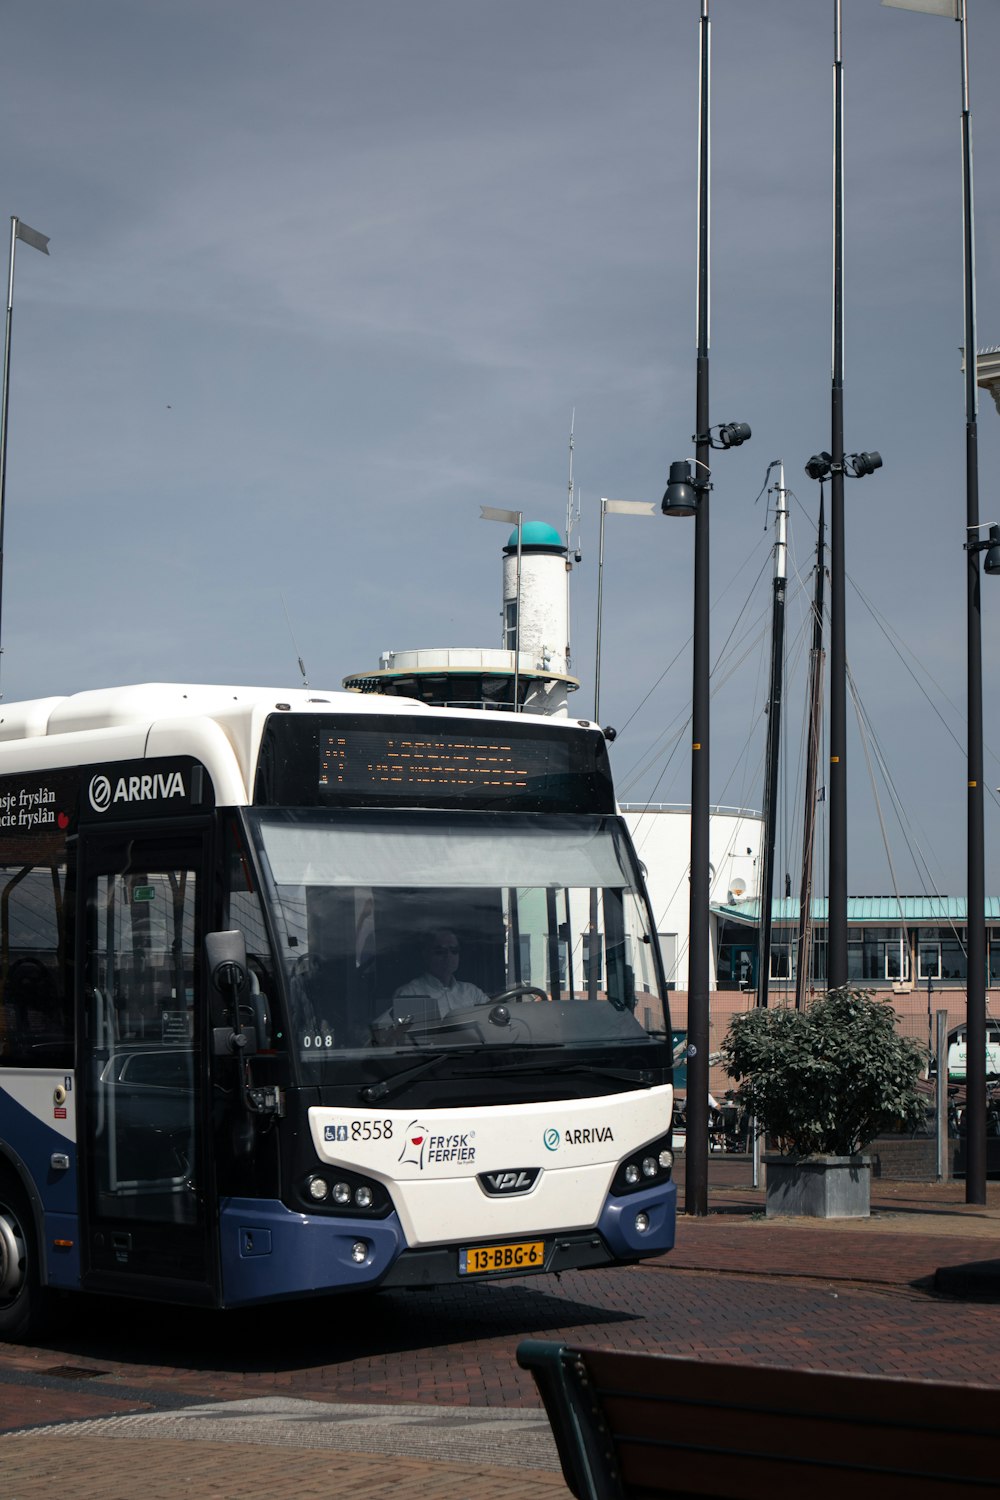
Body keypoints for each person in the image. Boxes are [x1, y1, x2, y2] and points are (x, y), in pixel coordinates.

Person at [392, 928, 490, 1020]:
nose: (448, 956)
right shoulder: (409, 994)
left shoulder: (472, 993)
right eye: (440, 951)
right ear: (426, 954)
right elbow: (403, 1035)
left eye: (454, 950)